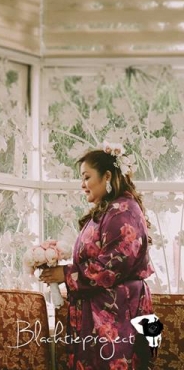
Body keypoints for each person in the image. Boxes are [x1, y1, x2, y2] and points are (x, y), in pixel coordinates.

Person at [40, 143, 155, 370]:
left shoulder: (123, 212)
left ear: (107, 176)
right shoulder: (110, 209)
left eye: (87, 177)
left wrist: (65, 274)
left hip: (118, 315)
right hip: (103, 311)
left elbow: (112, 266)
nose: (82, 184)